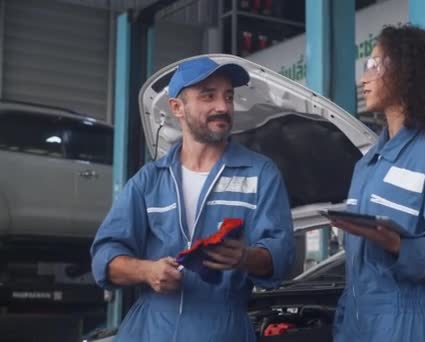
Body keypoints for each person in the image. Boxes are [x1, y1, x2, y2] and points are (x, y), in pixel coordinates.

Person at [90, 56, 295, 341]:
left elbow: (282, 255)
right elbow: (104, 257)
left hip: (222, 328)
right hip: (149, 329)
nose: (222, 107)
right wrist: (147, 270)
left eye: (228, 96)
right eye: (208, 96)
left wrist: (245, 257)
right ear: (177, 108)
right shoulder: (149, 180)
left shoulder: (260, 173)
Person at [331, 25, 425, 342]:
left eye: (376, 65)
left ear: (408, 73)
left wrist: (401, 245)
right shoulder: (366, 165)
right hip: (359, 326)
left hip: (414, 325)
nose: (364, 78)